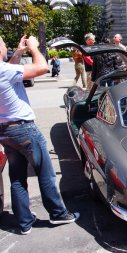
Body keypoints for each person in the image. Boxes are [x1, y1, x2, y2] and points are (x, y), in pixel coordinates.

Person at [0, 35, 80, 235]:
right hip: (24, 128)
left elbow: (10, 69)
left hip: (5, 130)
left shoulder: (5, 70)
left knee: (17, 177)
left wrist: (18, 52)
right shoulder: (4, 70)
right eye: (2, 42)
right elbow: (42, 67)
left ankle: (24, 222)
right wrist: (34, 48)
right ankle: (58, 213)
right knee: (45, 172)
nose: (4, 46)